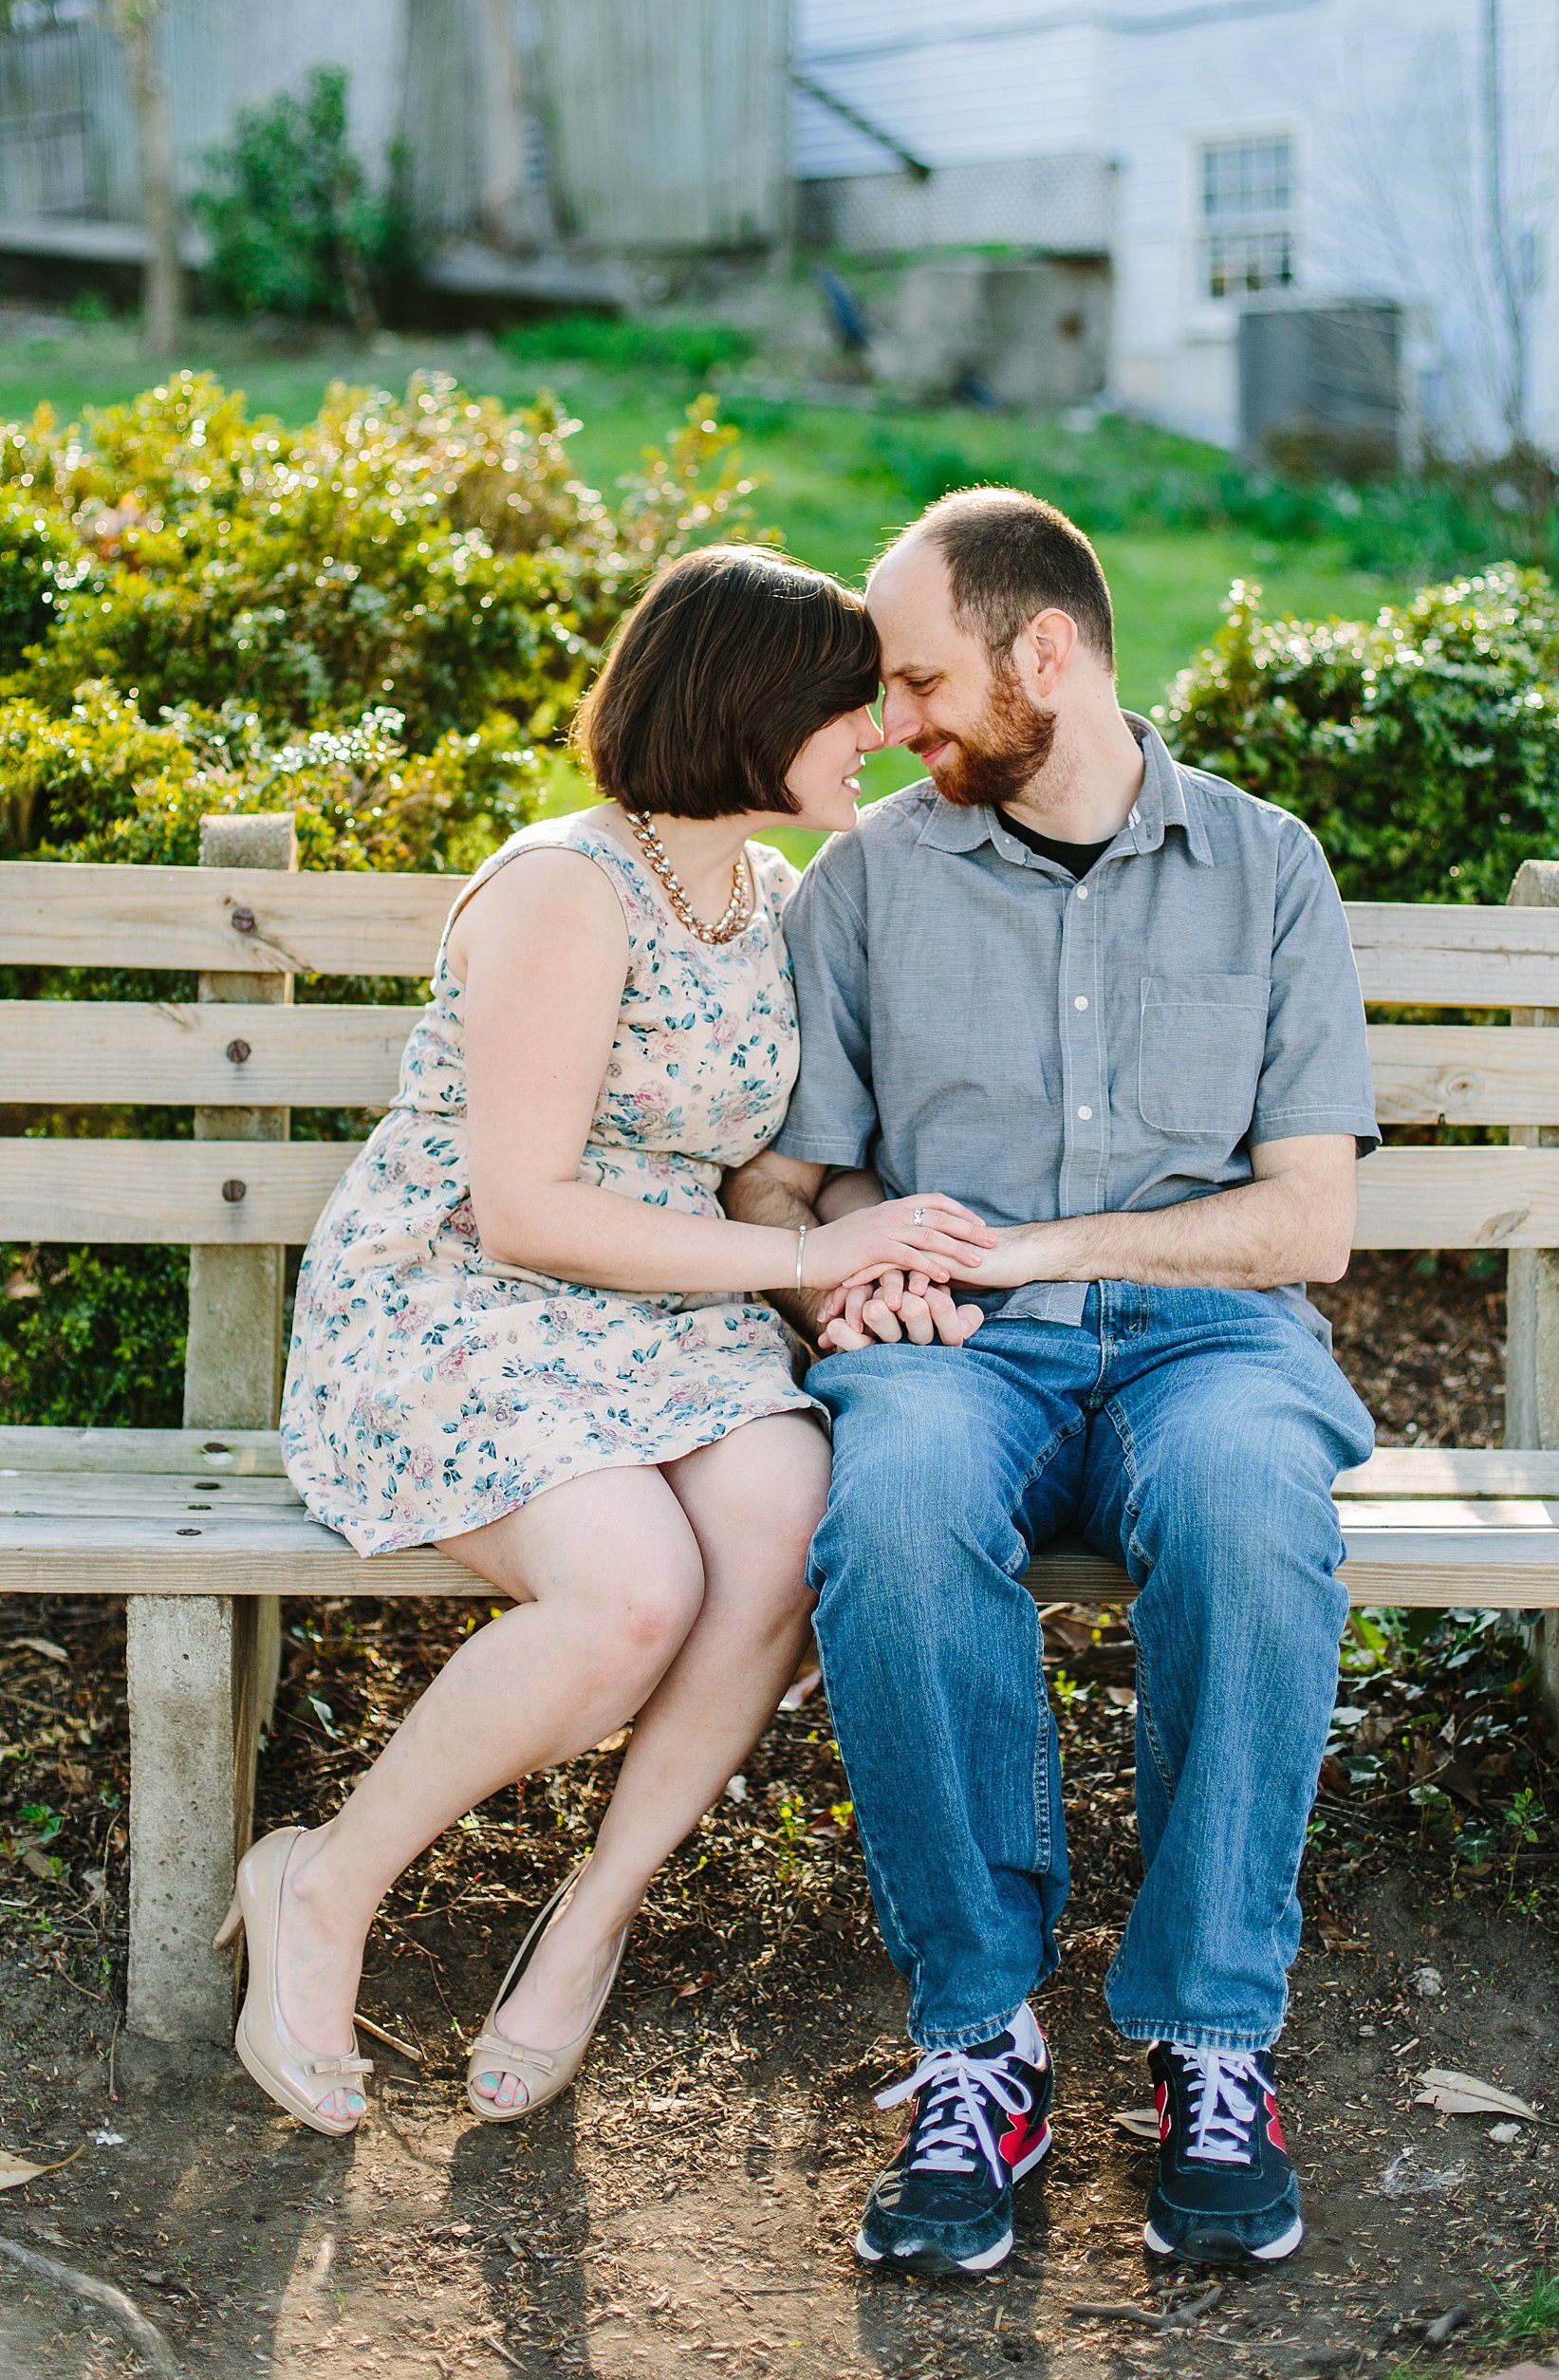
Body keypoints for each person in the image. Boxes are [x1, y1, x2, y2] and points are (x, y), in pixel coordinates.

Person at [251, 547, 993, 2138]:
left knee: (792, 1526)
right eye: (842, 704)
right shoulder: (561, 890)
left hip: (670, 1309)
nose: (869, 730)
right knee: (635, 1589)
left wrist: (845, 1279)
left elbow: (759, 1171)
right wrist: (798, 1252)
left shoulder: (767, 894)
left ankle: (589, 1918)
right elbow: (521, 1207)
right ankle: (323, 1887)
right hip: (465, 1298)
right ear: (745, 709)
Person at [725, 486, 1379, 2279]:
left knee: (1256, 1504)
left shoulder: (1266, 864)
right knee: (902, 1504)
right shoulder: (866, 885)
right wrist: (858, 1265)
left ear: (1047, 653)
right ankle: (982, 2039)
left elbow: (1307, 1222)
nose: (897, 725)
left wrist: (1055, 1246)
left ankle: (1207, 2036)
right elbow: (797, 1181)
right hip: (965, 1349)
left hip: (1209, 1341)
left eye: (924, 681)